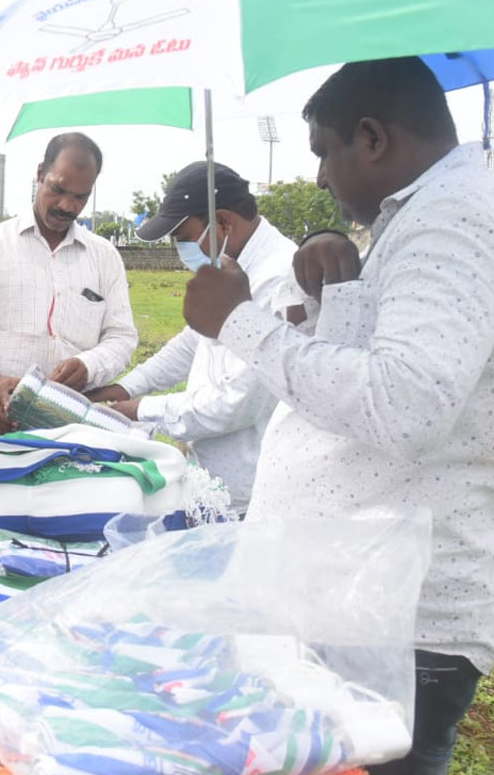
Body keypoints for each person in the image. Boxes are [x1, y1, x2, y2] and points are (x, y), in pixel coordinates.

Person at [183, 57, 494, 775]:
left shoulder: (451, 220)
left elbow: (407, 405)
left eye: (325, 151)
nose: (320, 175)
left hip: (399, 628)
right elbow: (379, 372)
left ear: (372, 139)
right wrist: (338, 287)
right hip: (361, 599)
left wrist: (241, 323)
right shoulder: (427, 213)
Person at [88, 162, 296, 513]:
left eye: (185, 238)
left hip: (256, 489)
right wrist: (129, 387)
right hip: (217, 479)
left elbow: (238, 402)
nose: (183, 249)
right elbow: (193, 341)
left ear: (224, 223)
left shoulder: (276, 280)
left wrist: (142, 410)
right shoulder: (231, 267)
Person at [0, 132, 137, 433]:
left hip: (73, 429)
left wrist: (89, 365)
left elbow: (121, 337)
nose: (67, 206)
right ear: (40, 174)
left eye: (80, 196)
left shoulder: (104, 257)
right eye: (58, 189)